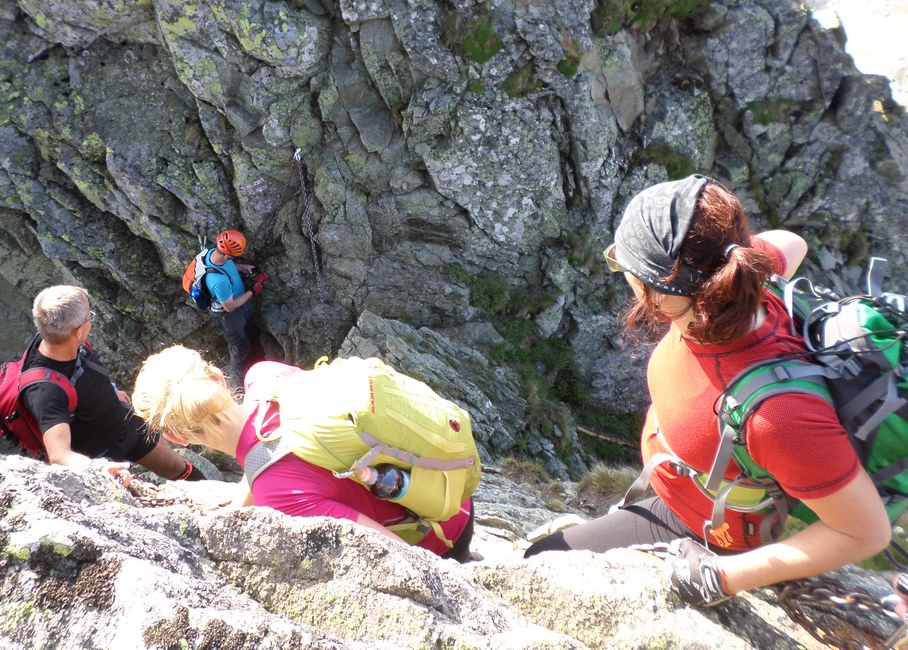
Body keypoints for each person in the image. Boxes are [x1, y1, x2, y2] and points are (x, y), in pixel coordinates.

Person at [526, 175, 890, 605]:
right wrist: (745, 260)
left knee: (539, 564)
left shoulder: (776, 416)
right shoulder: (742, 286)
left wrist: (720, 577)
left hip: (703, 525)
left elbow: (865, 533)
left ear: (659, 291)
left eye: (621, 264)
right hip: (681, 486)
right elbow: (791, 242)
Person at [130, 346, 475, 562]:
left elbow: (390, 549)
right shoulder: (266, 376)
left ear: (176, 438)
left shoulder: (276, 494)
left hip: (441, 536)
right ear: (219, 378)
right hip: (450, 480)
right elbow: (271, 444)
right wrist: (239, 506)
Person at [19, 285, 205, 486]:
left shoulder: (60, 337)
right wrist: (99, 468)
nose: (91, 321)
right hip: (99, 454)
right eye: (90, 317)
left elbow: (84, 371)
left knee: (176, 467)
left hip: (123, 421)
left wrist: (112, 391)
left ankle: (211, 491)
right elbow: (59, 453)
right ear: (78, 332)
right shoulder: (45, 392)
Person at [203, 229, 266, 384]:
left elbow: (227, 265)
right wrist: (253, 290)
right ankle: (239, 385)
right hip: (228, 317)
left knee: (252, 333)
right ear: (226, 255)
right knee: (241, 349)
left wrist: (242, 267)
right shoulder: (218, 281)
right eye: (232, 256)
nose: (231, 259)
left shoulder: (213, 252)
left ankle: (259, 363)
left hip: (241, 304)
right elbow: (230, 307)